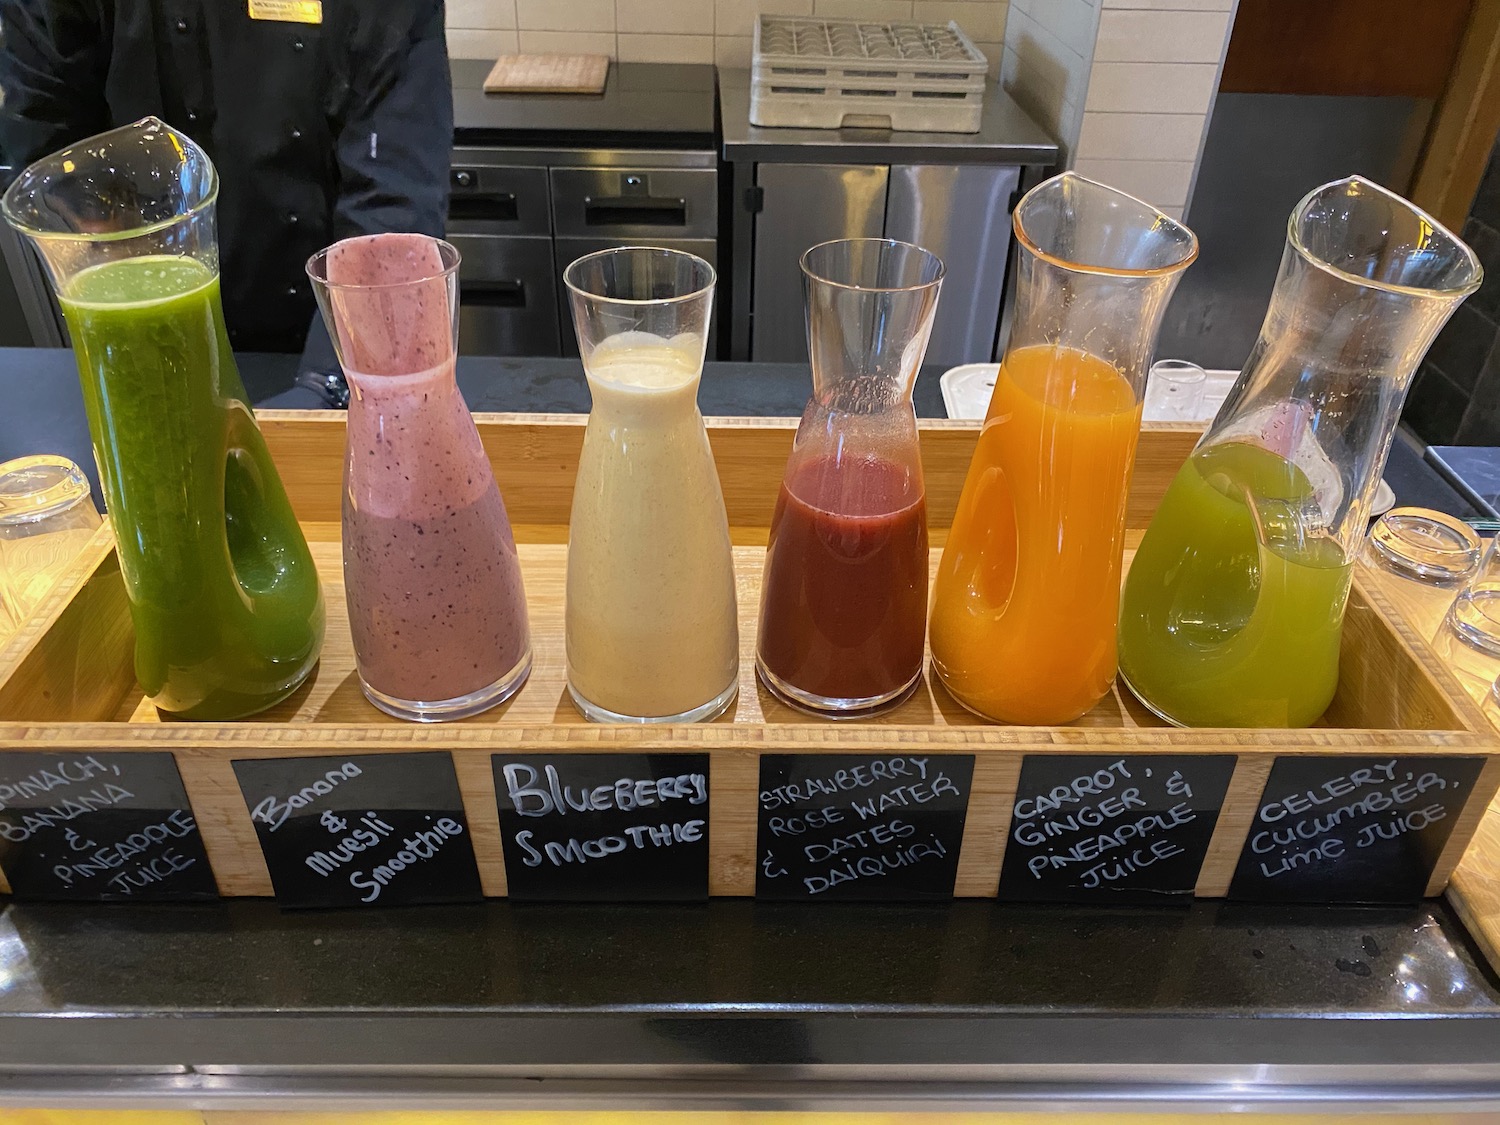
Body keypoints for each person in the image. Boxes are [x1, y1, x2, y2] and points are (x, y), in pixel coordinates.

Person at [0, 0, 452, 354]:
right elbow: (48, 134)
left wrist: (328, 386)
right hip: (141, 327)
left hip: (325, 336)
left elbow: (392, 208)